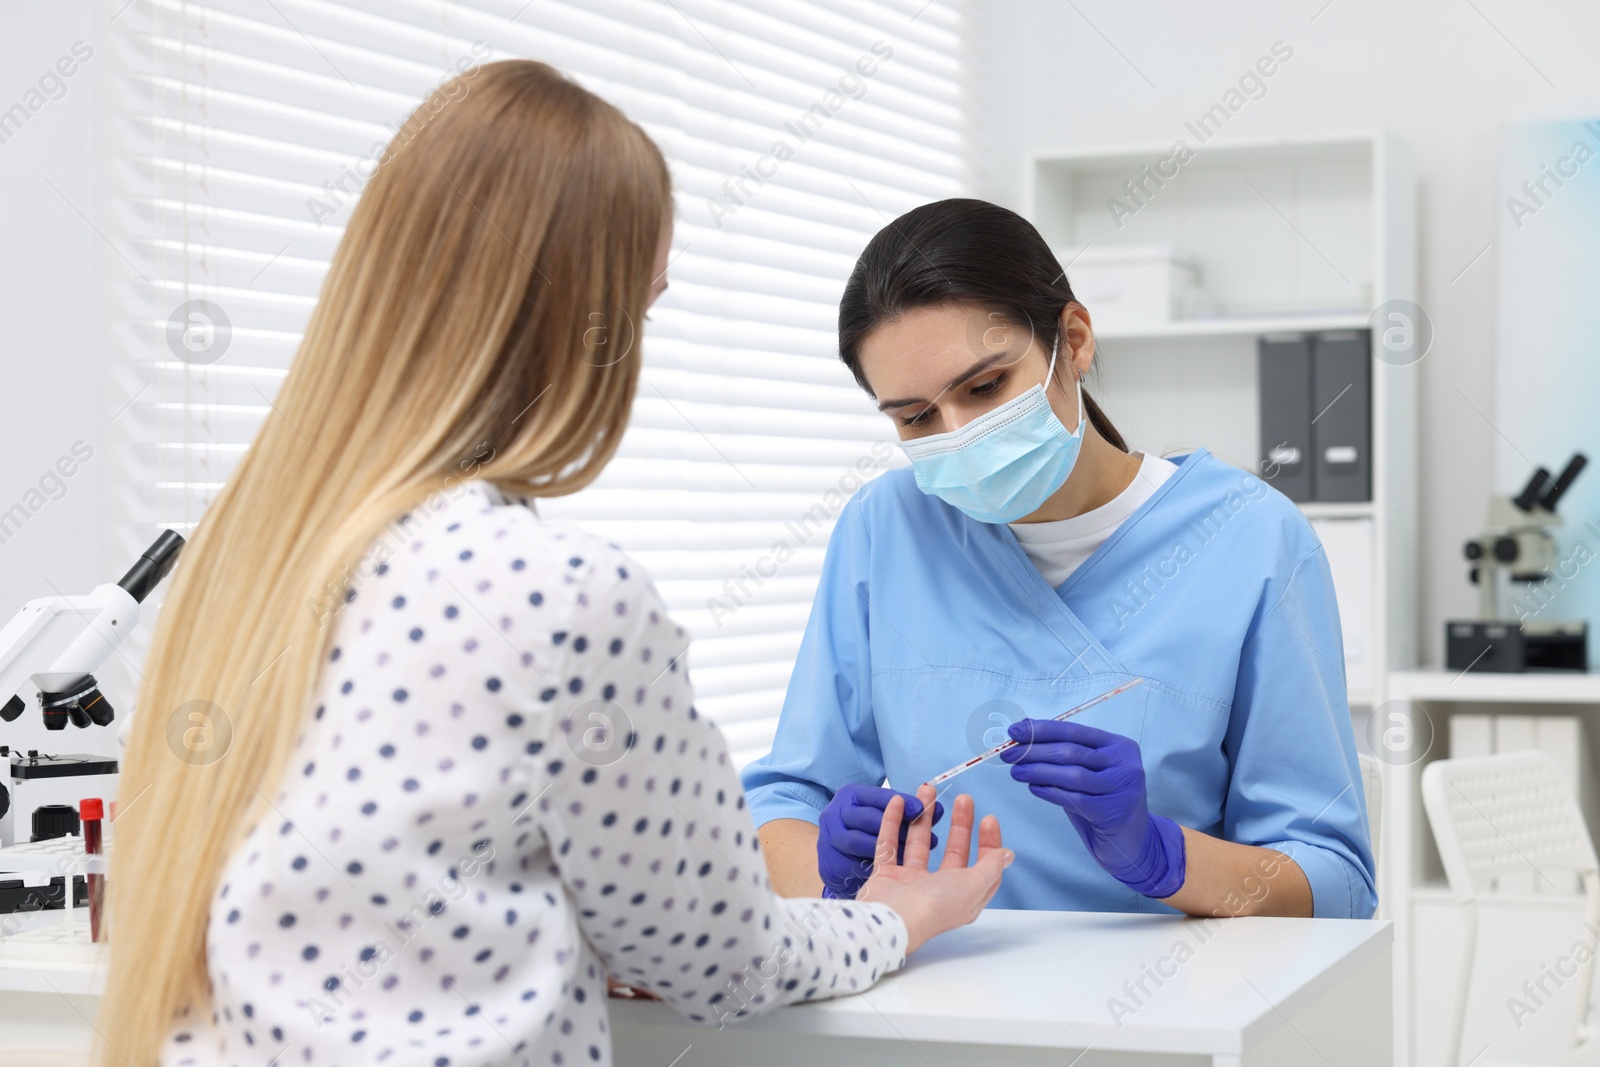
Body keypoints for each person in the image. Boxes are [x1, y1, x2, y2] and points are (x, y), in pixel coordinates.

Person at [96, 63, 1013, 1067]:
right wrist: (895, 914)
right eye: (642, 306)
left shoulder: (245, 560)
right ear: (583, 319)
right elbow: (725, 960)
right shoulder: (556, 592)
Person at [742, 198, 1376, 920]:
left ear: (1073, 339)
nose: (960, 434)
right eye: (916, 417)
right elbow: (783, 802)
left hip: (1171, 1009)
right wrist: (826, 872)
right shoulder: (884, 529)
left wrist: (1163, 855)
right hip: (936, 991)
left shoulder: (1251, 539)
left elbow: (1337, 881)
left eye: (985, 387)